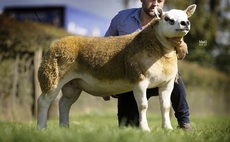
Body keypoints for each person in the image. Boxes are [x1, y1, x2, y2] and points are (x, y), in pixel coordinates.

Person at [104, 0, 192, 131]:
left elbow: (182, 53)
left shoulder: (170, 18)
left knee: (175, 76)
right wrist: (107, 83)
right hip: (131, 79)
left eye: (160, 1)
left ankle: (184, 123)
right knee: (127, 126)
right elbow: (106, 47)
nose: (155, 4)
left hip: (160, 75)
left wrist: (178, 43)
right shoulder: (122, 18)